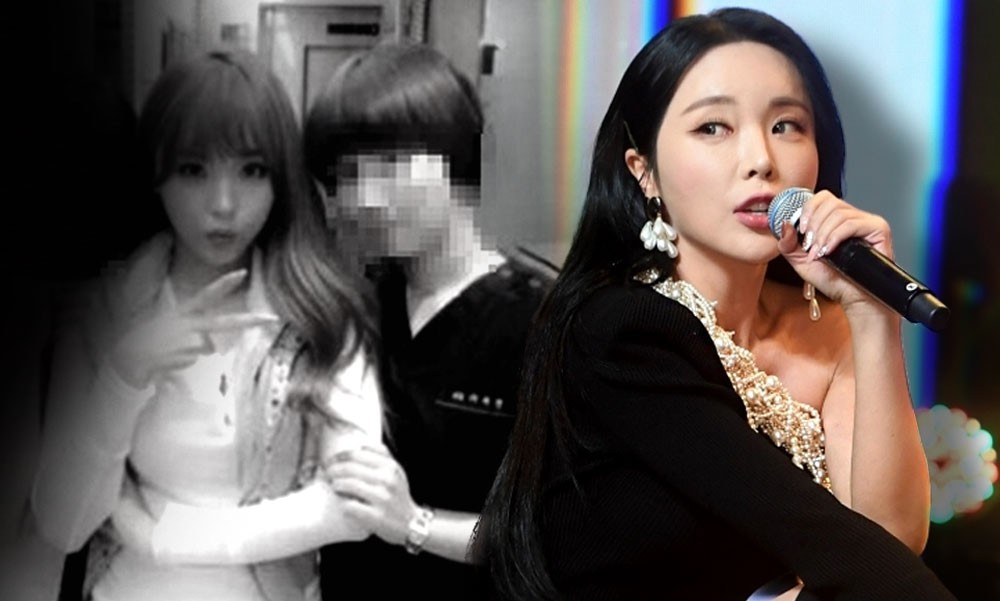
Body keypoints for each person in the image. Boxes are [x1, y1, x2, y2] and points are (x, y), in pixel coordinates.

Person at [472, 8, 956, 600]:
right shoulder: (621, 330)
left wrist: (871, 316)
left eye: (786, 125)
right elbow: (851, 557)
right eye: (713, 128)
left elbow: (888, 543)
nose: (761, 160)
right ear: (644, 171)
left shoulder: (831, 330)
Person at [31, 50, 380, 601]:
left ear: (281, 179)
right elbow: (62, 525)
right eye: (193, 170)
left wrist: (162, 538)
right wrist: (122, 377)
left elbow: (355, 505)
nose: (223, 204)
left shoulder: (324, 313)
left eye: (252, 170)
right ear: (156, 175)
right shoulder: (104, 312)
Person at [303, 42, 555, 600]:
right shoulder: (357, 304)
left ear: (455, 156)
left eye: (391, 165)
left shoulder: (544, 320)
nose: (365, 198)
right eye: (348, 174)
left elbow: (562, 534)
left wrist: (414, 524)